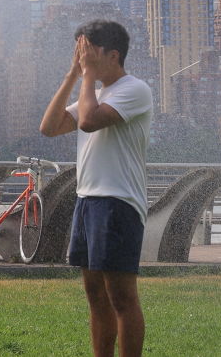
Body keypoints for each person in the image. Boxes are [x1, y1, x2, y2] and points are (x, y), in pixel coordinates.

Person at [40, 19, 153, 357]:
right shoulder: (96, 92)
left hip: (118, 203)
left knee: (121, 296)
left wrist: (86, 77)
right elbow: (49, 127)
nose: (82, 57)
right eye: (79, 52)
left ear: (113, 55)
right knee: (95, 295)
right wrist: (72, 76)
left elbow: (88, 122)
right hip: (88, 201)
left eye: (88, 51)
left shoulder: (135, 89)